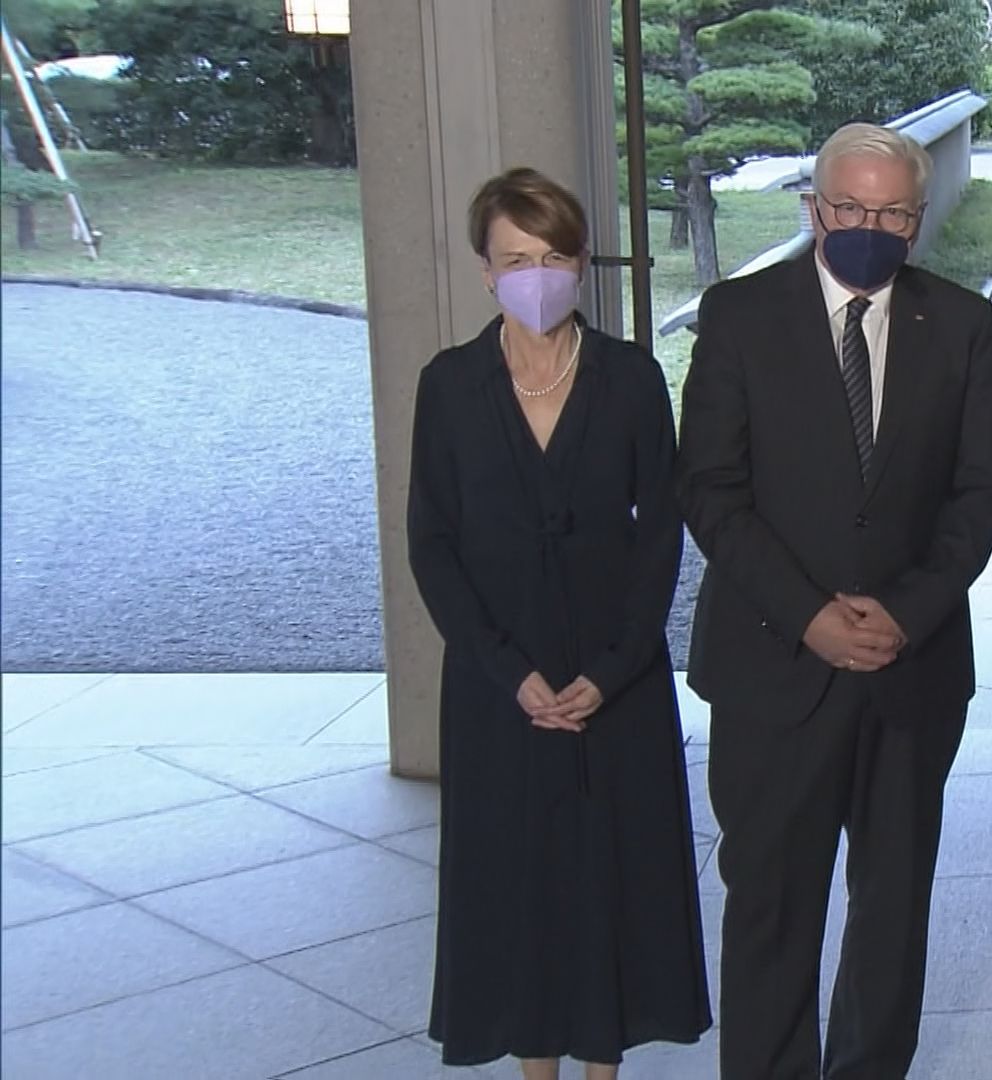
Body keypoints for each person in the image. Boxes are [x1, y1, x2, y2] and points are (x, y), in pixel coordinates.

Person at [676, 123, 992, 1079]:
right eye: (851, 208)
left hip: (912, 671)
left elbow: (981, 491)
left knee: (893, 907)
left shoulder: (958, 321)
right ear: (815, 208)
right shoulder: (740, 315)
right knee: (772, 904)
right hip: (774, 665)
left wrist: (907, 610)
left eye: (894, 213)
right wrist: (809, 615)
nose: (871, 227)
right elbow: (710, 488)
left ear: (919, 216)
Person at [408, 167, 711, 1078]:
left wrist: (614, 667)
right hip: (498, 687)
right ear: (485, 271)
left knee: (611, 882)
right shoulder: (449, 386)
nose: (534, 277)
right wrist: (507, 671)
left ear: (580, 264)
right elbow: (433, 545)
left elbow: (660, 535)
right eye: (514, 260)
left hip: (614, 679)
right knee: (516, 887)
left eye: (551, 257)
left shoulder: (631, 378)